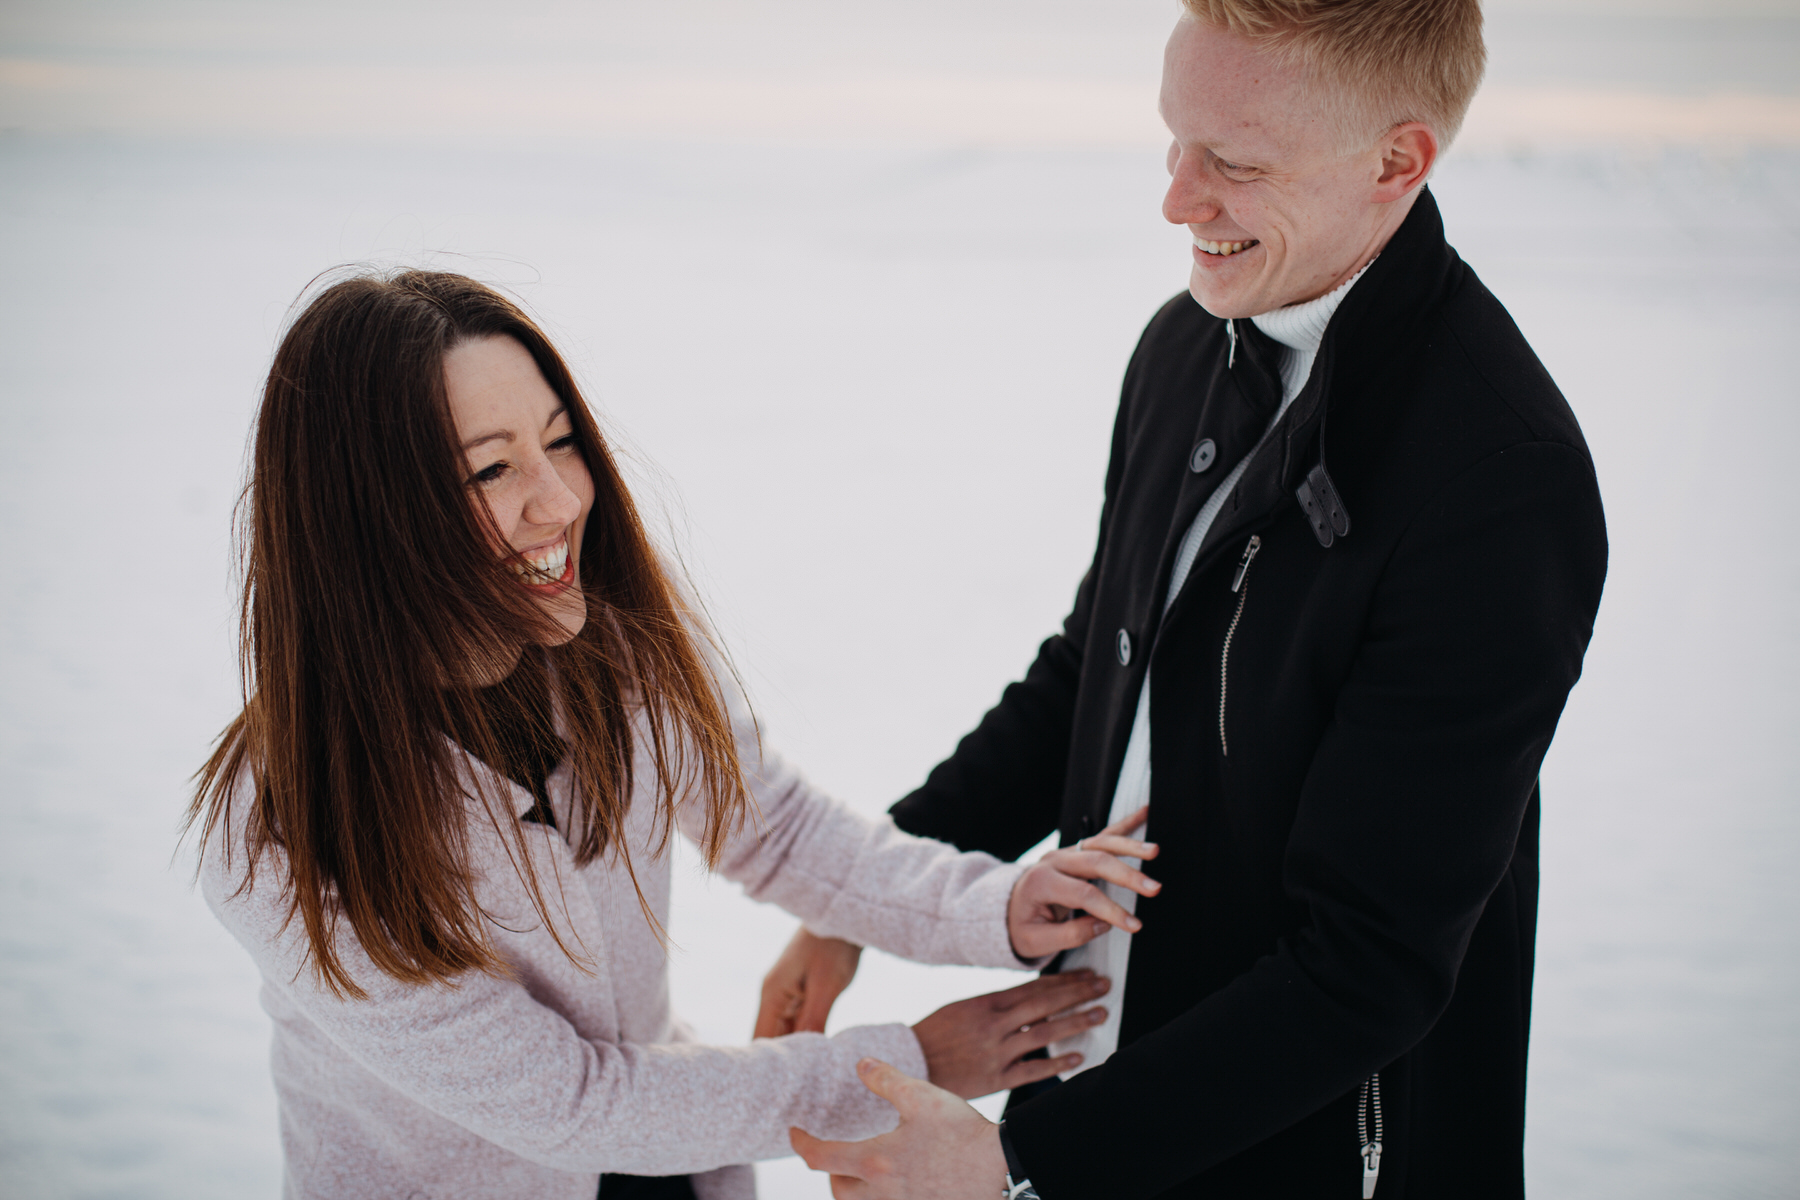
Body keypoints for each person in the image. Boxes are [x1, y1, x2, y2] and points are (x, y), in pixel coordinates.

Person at [774, 2, 1609, 1197]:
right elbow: (1093, 677)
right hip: (1089, 1092)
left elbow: (1365, 968)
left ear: (1397, 161)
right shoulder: (1183, 345)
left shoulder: (1498, 476)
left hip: (1309, 1163)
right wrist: (858, 896)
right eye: (1175, 139)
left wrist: (1018, 1163)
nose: (1177, 198)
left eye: (1236, 162)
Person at [184, 270, 1164, 1200]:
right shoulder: (281, 828)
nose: (561, 501)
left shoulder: (614, 650)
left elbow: (773, 829)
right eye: (491, 467)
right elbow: (568, 1103)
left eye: (560, 441)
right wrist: (905, 1065)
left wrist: (994, 908)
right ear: (363, 519)